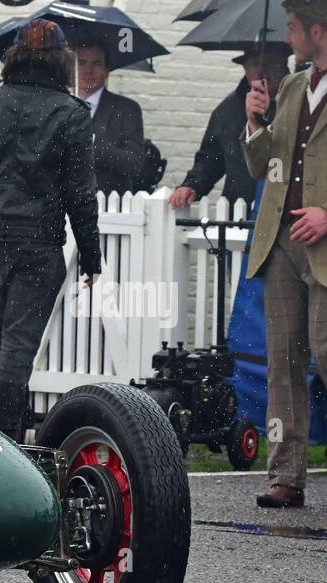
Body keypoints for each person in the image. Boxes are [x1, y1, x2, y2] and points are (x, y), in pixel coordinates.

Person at [0, 19, 100, 441]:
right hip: (37, 240)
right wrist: (91, 254)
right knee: (17, 342)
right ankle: (3, 438)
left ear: (12, 57)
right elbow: (80, 193)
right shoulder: (70, 113)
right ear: (60, 61)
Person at [242, 0, 327, 508]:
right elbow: (263, 163)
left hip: (323, 243)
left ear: (318, 30)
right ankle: (286, 476)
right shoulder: (294, 86)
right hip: (281, 243)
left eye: (294, 28)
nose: (288, 36)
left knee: (325, 351)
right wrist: (255, 123)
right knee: (283, 363)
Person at [170, 44, 292, 210]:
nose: (263, 72)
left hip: (286, 212)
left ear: (284, 65)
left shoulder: (302, 105)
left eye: (271, 64)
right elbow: (210, 159)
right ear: (245, 68)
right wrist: (192, 185)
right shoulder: (228, 109)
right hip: (238, 212)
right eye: (256, 64)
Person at [76, 42, 145, 198]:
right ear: (71, 68)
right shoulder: (61, 107)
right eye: (82, 63)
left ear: (107, 70)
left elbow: (134, 164)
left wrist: (92, 146)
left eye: (97, 63)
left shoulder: (127, 109)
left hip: (110, 205)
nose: (89, 70)